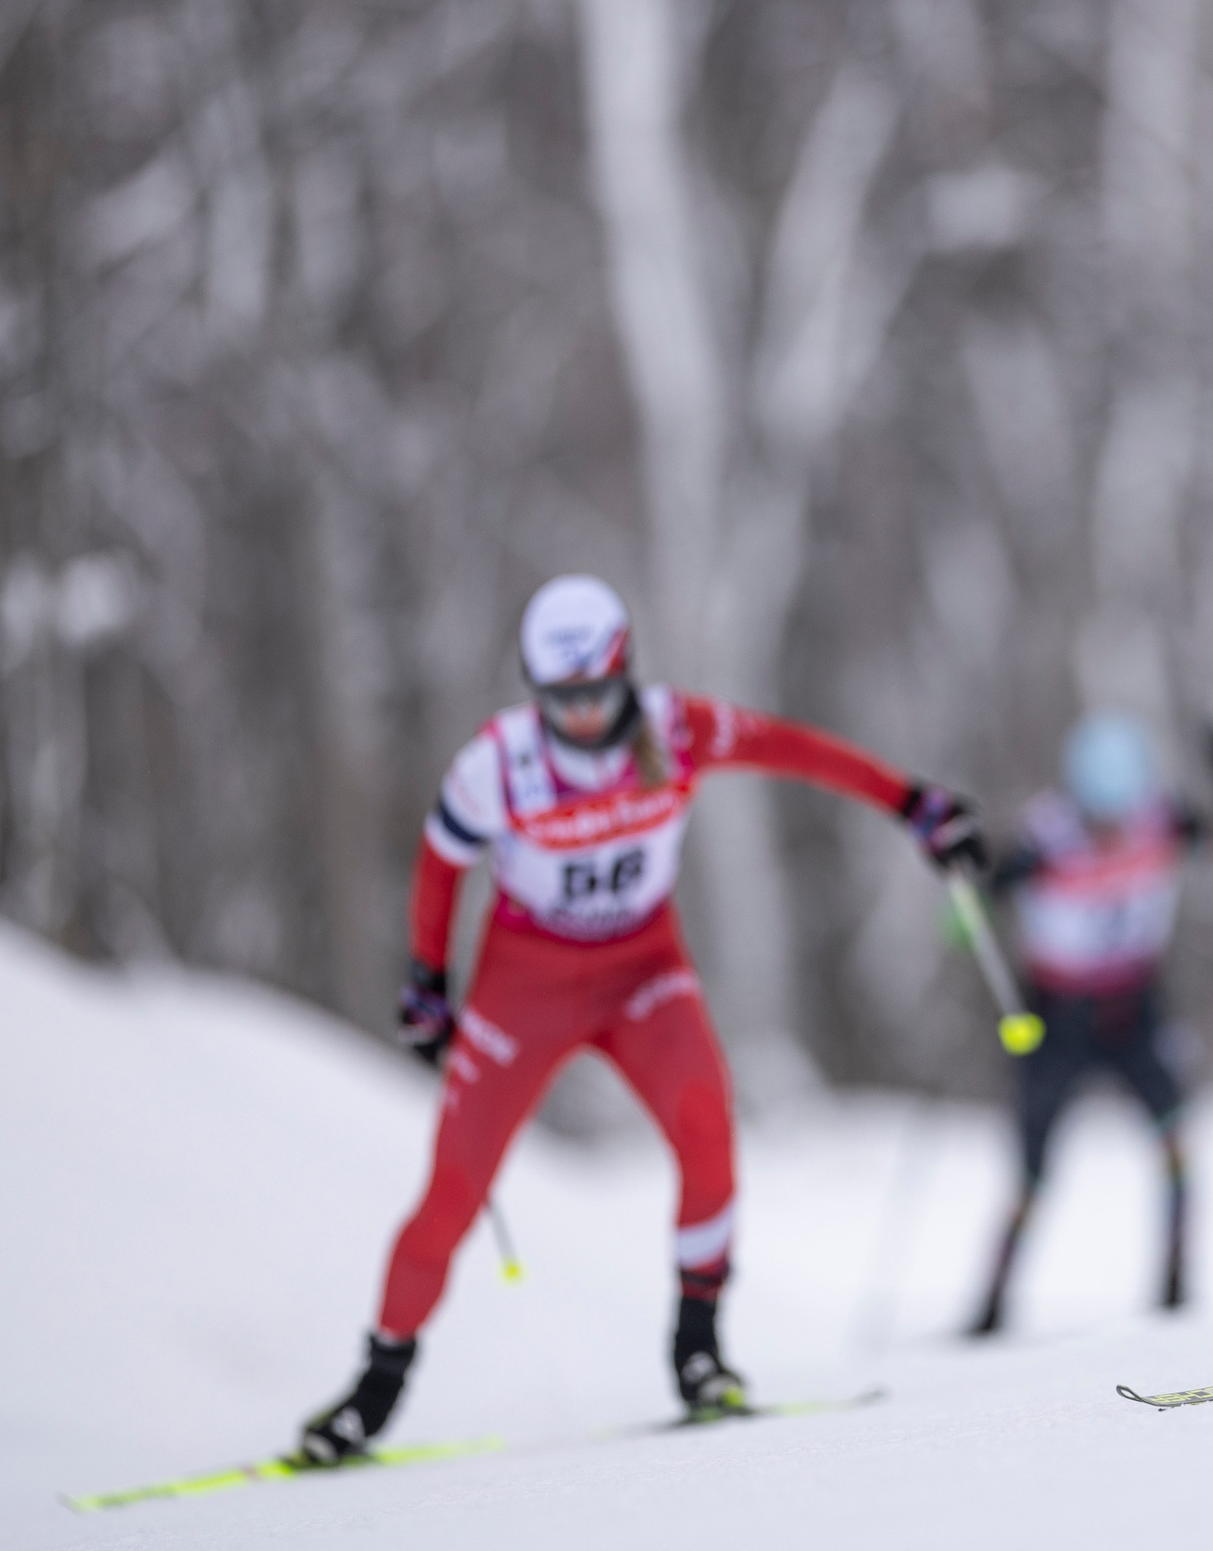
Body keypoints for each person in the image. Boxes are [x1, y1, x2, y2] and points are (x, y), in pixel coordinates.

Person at [297, 575, 982, 1463]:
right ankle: (373, 1390)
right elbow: (440, 863)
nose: (582, 714)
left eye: (597, 692)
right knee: (454, 1190)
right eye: (562, 698)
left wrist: (911, 803)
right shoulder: (498, 762)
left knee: (706, 1126)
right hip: (526, 986)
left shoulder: (675, 729)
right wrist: (427, 981)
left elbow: (795, 751)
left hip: (642, 971)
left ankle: (698, 1351)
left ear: (627, 672)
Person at [965, 712, 1213, 1336]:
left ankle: (1176, 1291)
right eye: (1098, 819)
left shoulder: (1162, 819)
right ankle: (992, 1307)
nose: (1111, 834)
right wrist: (975, 883)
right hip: (1055, 1011)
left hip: (1133, 1003)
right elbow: (963, 914)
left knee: (1176, 1138)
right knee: (1031, 1169)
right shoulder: (1042, 840)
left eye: (1120, 818)